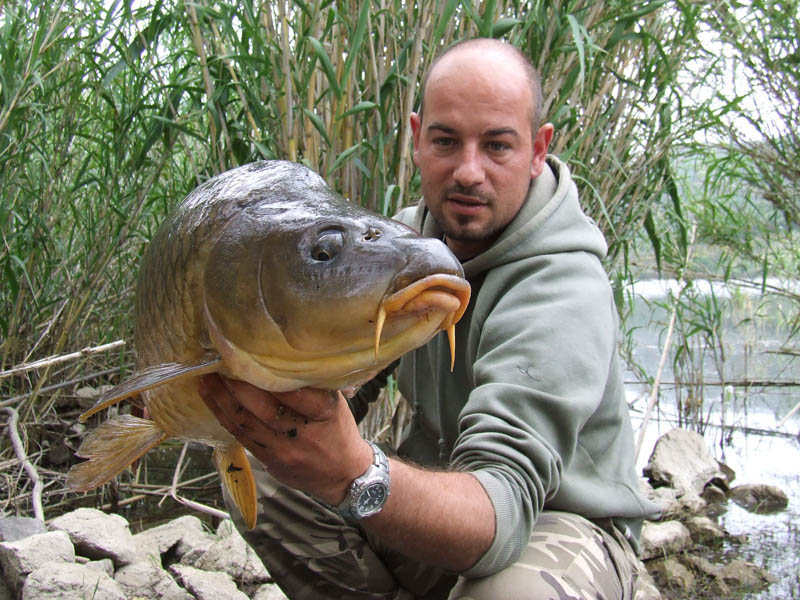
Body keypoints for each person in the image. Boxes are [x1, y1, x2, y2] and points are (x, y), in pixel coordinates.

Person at [198, 38, 660, 599]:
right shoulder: (397, 251)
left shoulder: (563, 287)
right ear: (417, 138)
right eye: (446, 141)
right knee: (267, 460)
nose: (469, 172)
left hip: (559, 528)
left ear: (538, 150)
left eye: (497, 146)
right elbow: (331, 385)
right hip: (441, 508)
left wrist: (353, 471)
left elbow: (504, 511)